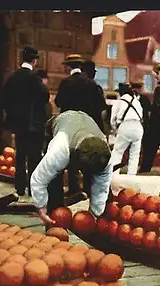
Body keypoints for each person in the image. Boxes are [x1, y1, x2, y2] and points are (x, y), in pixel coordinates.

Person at [30, 110, 112, 224]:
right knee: (54, 180)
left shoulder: (105, 156)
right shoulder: (59, 149)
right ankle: (54, 215)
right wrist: (41, 206)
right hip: (61, 123)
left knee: (95, 183)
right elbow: (39, 179)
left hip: (85, 120)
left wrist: (94, 214)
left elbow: (102, 186)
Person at [3, 46, 50, 196]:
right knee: (34, 157)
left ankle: (19, 188)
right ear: (35, 61)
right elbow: (45, 97)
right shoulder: (35, 79)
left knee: (20, 155)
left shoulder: (13, 78)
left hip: (18, 125)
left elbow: (5, 101)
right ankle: (32, 188)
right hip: (34, 125)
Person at [55, 54, 104, 195]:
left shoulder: (66, 83)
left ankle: (74, 188)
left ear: (68, 67)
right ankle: (87, 188)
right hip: (87, 125)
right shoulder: (91, 84)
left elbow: (58, 102)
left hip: (70, 125)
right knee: (87, 155)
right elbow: (100, 105)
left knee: (72, 157)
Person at [109, 83, 144, 175]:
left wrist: (115, 130)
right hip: (138, 127)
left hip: (125, 125)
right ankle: (131, 176)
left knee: (118, 152)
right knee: (135, 154)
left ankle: (114, 175)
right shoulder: (136, 101)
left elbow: (112, 120)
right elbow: (141, 116)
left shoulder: (119, 102)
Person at [81, 60, 107, 130]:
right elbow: (102, 108)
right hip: (93, 124)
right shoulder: (96, 87)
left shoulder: (73, 85)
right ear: (92, 73)